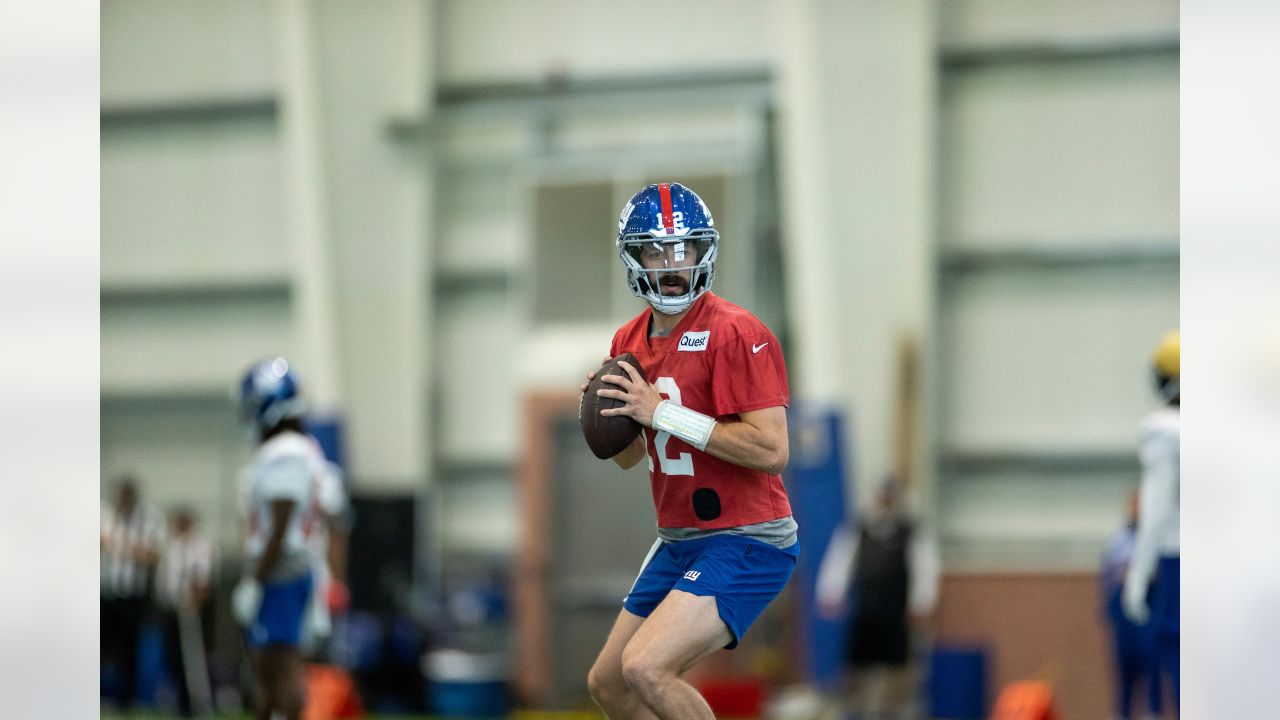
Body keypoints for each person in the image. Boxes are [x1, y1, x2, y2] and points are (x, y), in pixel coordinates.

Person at [581, 182, 799, 720]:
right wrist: (613, 413)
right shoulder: (626, 341)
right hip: (678, 540)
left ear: (704, 252)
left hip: (747, 538)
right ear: (634, 256)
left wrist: (662, 412)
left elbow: (772, 449)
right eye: (656, 250)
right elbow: (633, 457)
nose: (671, 264)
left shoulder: (738, 333)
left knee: (647, 667)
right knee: (609, 683)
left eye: (683, 249)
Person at [231, 357, 335, 720]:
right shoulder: (304, 449)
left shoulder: (285, 451)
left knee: (281, 664)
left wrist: (253, 581)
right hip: (291, 566)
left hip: (282, 569)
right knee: (268, 667)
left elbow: (280, 525)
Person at [815, 475, 940, 720]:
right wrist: (831, 593)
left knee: (896, 667)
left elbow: (925, 568)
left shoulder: (912, 532)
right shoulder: (858, 529)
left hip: (895, 612)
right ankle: (852, 711)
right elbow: (839, 561)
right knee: (855, 666)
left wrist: (922, 602)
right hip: (866, 610)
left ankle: (890, 712)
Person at [1122, 331, 1180, 713]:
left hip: (1180, 562)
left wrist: (1138, 573)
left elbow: (1156, 510)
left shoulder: (1166, 430)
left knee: (1174, 656)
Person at [101, 476, 164, 712]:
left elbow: (153, 555)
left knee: (128, 647)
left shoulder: (149, 518)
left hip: (132, 594)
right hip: (105, 591)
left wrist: (121, 547)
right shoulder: (104, 513)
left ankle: (124, 702)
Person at [1101, 490, 1162, 720]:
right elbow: (1107, 573)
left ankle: (1152, 712)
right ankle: (1122, 712)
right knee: (1124, 666)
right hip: (1122, 607)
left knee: (1150, 662)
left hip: (1149, 603)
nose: (1136, 508)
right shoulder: (1117, 536)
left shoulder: (1154, 536)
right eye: (1133, 503)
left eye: (1141, 503)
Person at [156, 507, 216, 717]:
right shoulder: (173, 545)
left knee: (194, 659)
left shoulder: (200, 545)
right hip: (173, 610)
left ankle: (199, 704)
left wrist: (193, 605)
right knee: (174, 658)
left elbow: (202, 577)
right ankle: (182, 703)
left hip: (192, 610)